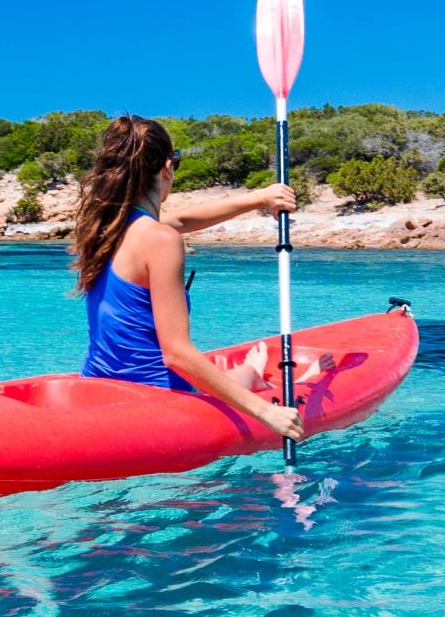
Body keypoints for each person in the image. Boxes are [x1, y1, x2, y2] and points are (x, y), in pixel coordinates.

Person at [71, 115, 306, 440]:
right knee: (244, 375)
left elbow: (180, 218)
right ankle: (252, 372)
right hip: (156, 399)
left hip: (96, 388)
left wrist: (259, 198)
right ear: (166, 168)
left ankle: (248, 373)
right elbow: (177, 354)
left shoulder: (102, 230)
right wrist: (267, 411)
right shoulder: (161, 240)